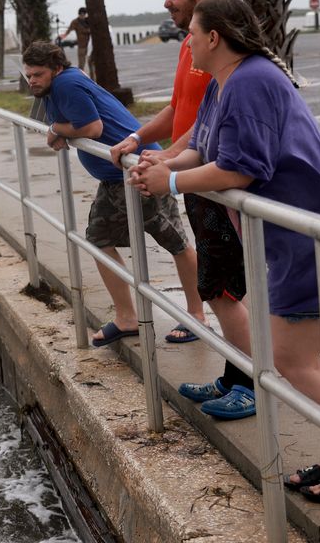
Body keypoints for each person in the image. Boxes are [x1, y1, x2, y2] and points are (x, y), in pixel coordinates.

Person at [131, 0, 320, 505]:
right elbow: (204, 145)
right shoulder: (227, 81)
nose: (185, 40)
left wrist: (173, 181)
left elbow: (242, 168)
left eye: (193, 33)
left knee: (288, 359)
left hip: (310, 234)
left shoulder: (251, 80)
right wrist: (162, 161)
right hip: (314, 230)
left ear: (214, 38)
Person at [109, 0, 256, 420]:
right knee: (221, 285)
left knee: (225, 288)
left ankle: (250, 384)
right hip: (196, 176)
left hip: (215, 181)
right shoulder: (189, 47)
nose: (166, 1)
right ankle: (235, 377)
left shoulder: (223, 55)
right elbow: (184, 115)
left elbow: (224, 131)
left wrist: (171, 171)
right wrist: (145, 143)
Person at [21, 40, 203, 348]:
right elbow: (73, 125)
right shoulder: (56, 86)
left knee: (175, 241)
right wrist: (60, 131)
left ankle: (196, 315)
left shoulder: (66, 84)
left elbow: (92, 127)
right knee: (99, 238)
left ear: (56, 69)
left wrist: (59, 130)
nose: (32, 81)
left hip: (138, 170)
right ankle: (127, 318)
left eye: (38, 74)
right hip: (115, 176)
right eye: (28, 75)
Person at [58, 8, 91, 75]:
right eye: (81, 14)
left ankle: (93, 79)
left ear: (85, 14)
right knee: (81, 63)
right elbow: (69, 30)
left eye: (84, 14)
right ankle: (81, 76)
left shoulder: (89, 21)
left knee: (91, 62)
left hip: (90, 45)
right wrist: (63, 36)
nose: (82, 16)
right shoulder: (75, 22)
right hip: (81, 45)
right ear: (79, 14)